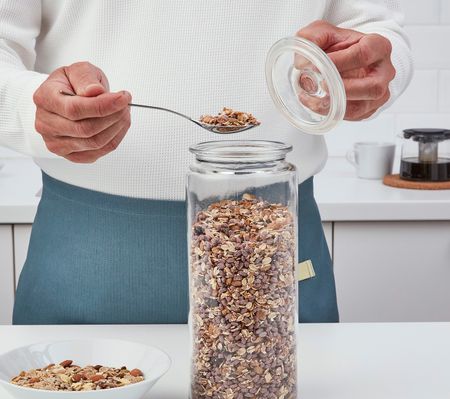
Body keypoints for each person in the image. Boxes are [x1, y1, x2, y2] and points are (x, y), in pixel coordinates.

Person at [0, 1, 412, 325]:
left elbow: (377, 31)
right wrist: (32, 108)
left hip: (274, 237)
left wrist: (367, 69)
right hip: (85, 250)